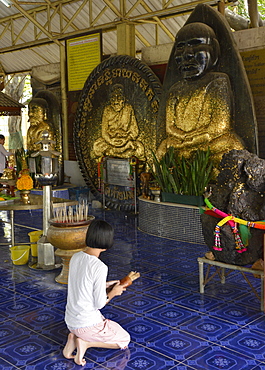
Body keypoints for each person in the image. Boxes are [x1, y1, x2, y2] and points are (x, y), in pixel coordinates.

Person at [156, 22, 244, 164]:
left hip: (206, 141)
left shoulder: (217, 81)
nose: (187, 54)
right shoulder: (175, 89)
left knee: (232, 144)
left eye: (196, 44)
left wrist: (194, 139)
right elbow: (169, 127)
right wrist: (184, 137)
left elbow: (220, 125)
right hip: (181, 142)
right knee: (163, 148)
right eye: (180, 47)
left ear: (214, 50)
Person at [63, 219, 130, 366]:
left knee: (112, 327)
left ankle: (72, 342)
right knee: (124, 339)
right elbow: (99, 303)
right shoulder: (100, 267)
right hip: (86, 324)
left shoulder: (76, 257)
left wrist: (106, 284)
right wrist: (114, 292)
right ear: (107, 242)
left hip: (70, 320)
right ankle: (86, 343)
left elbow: (81, 284)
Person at [93, 84, 145, 160]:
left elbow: (135, 131)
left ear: (123, 99)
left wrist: (126, 139)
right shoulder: (107, 110)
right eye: (113, 99)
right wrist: (111, 141)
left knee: (140, 149)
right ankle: (120, 153)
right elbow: (104, 133)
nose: (116, 102)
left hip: (126, 140)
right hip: (111, 141)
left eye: (119, 98)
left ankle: (114, 153)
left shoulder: (128, 108)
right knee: (96, 147)